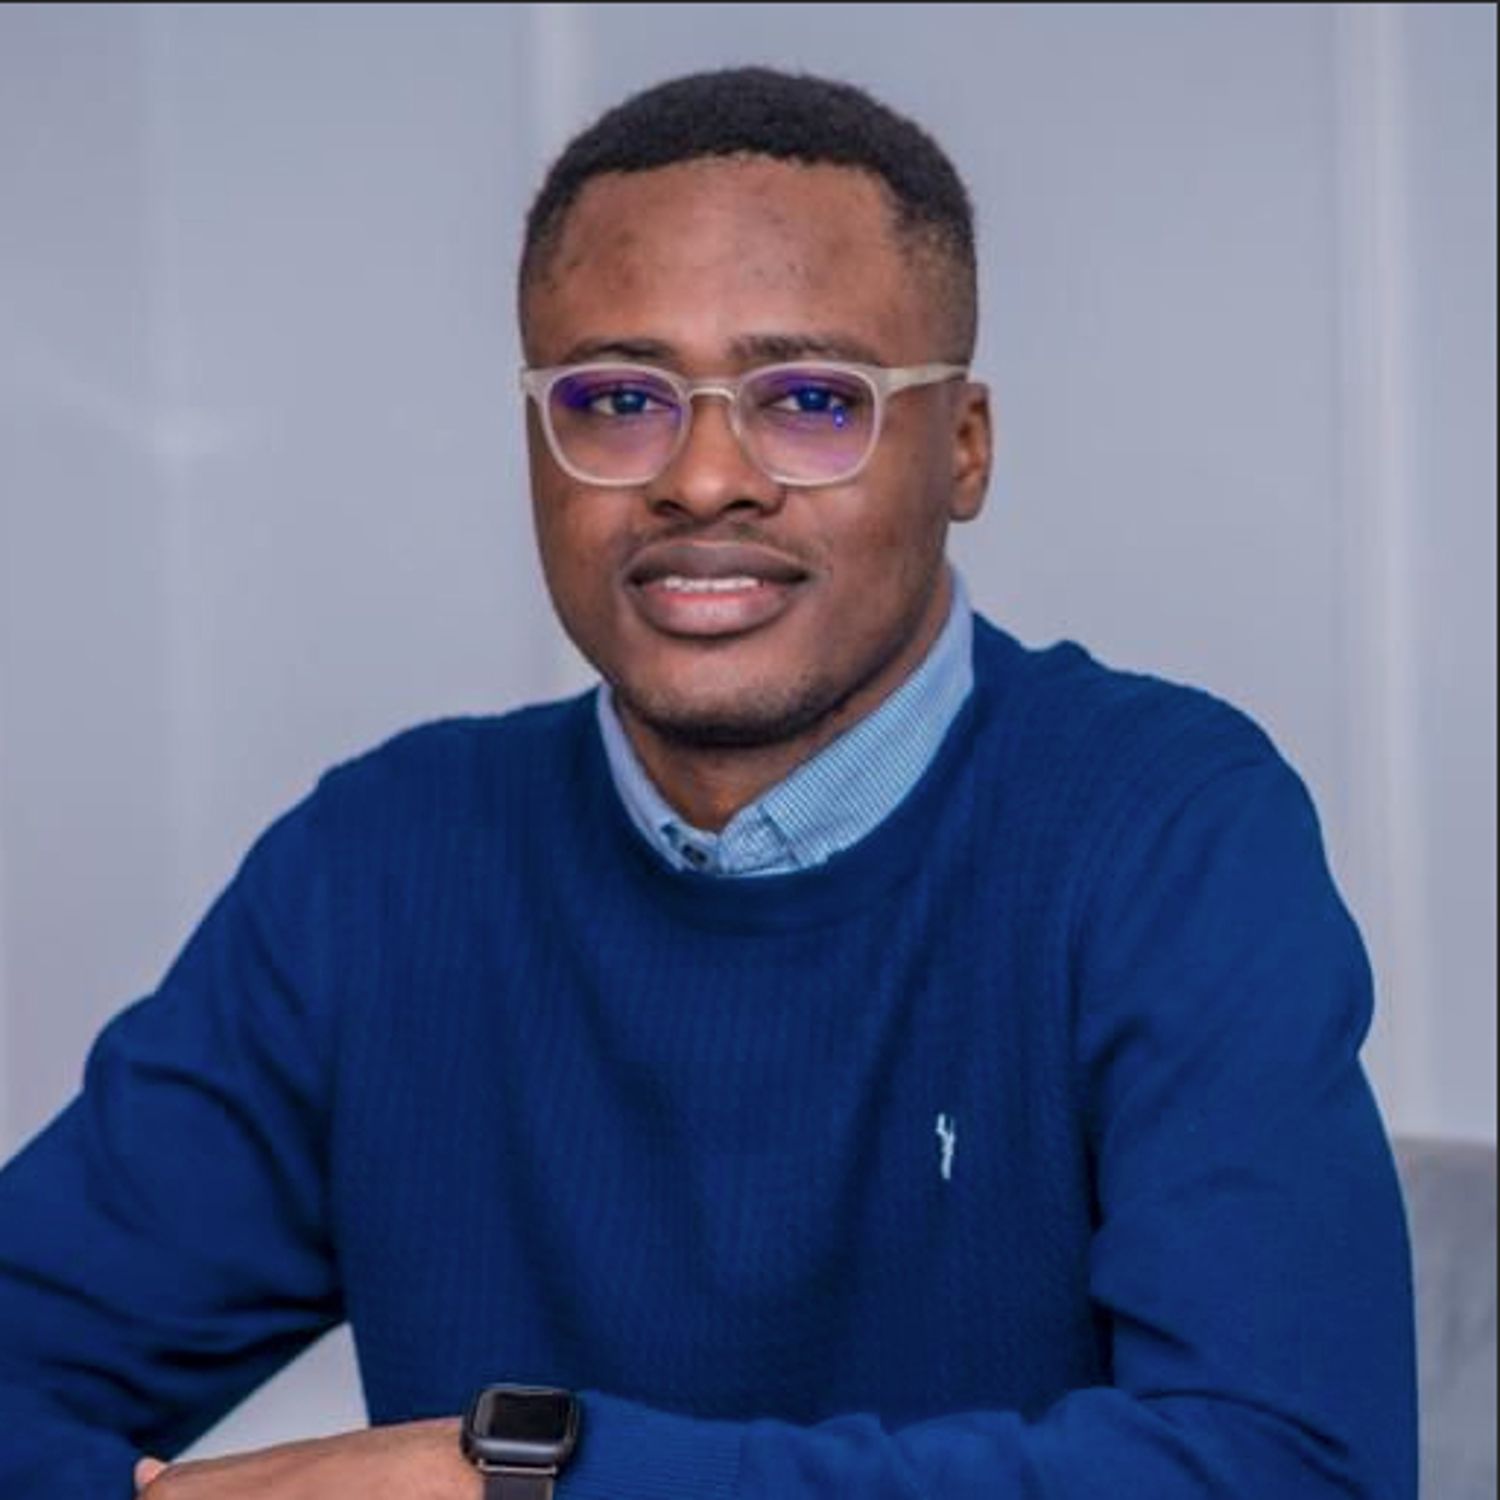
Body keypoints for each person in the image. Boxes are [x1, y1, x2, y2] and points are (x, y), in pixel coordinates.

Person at [0, 66, 1417, 1500]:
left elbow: (1287, 1468)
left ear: (965, 448)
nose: (702, 477)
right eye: (619, 399)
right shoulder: (378, 868)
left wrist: (527, 1482)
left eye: (811, 399)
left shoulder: (1165, 831)